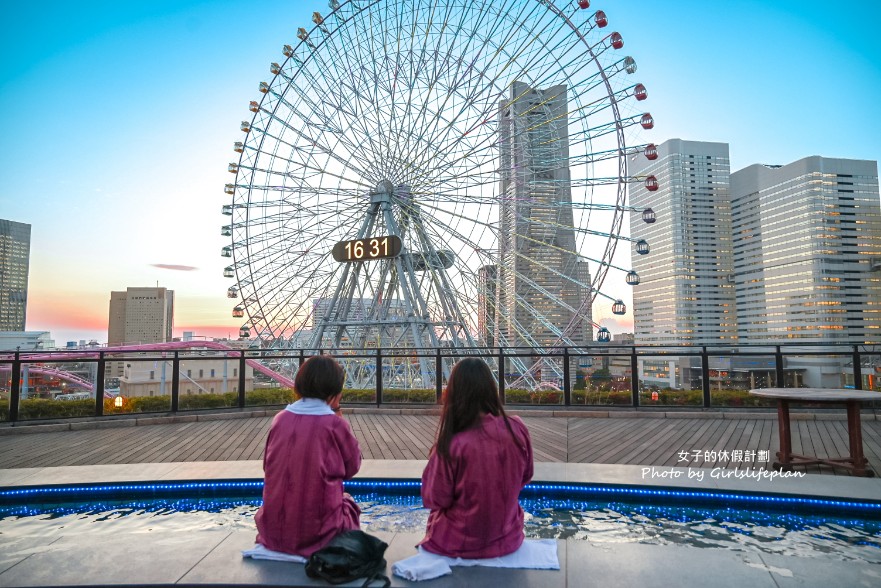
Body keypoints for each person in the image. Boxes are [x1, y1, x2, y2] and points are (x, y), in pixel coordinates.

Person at [418, 357, 534, 558]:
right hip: (509, 537)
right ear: (491, 388)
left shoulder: (451, 444)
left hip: (457, 542)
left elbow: (434, 498)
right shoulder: (517, 429)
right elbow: (526, 476)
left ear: (454, 393)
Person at [255, 355, 361, 556]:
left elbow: (268, 467)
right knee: (349, 504)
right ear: (336, 389)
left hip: (273, 530)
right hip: (320, 531)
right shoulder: (334, 425)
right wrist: (337, 410)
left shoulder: (280, 419)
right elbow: (352, 467)